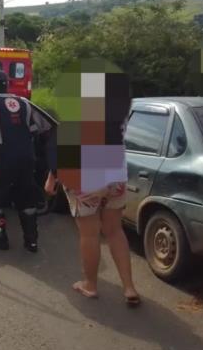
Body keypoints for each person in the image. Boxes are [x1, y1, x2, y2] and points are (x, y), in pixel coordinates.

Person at [43, 123, 141, 307]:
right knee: (115, 231)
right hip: (115, 173)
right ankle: (129, 288)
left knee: (90, 234)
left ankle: (90, 285)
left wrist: (52, 176)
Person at [0, 71, 40, 252]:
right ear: (7, 85)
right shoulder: (24, 104)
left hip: (3, 157)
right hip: (27, 157)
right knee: (26, 197)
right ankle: (31, 241)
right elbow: (34, 131)